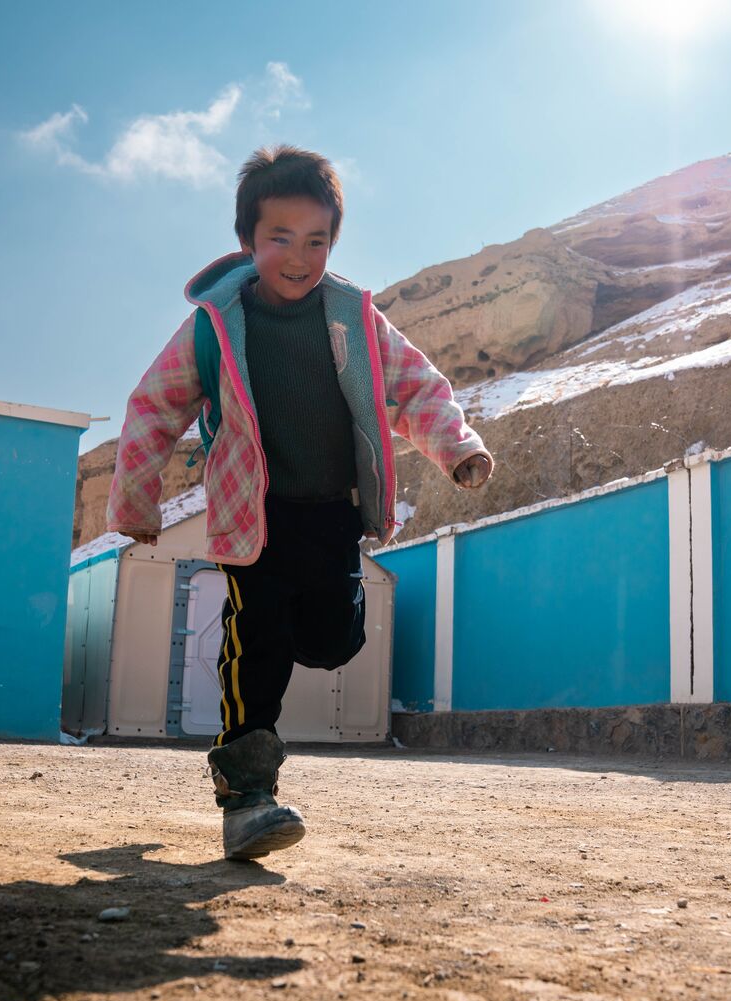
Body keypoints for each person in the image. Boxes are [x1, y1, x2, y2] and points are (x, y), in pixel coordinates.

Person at [107, 146, 492, 859]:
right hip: (251, 516)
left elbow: (417, 387)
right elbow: (152, 408)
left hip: (330, 513)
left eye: (316, 240)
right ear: (247, 242)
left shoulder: (353, 318)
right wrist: (135, 500)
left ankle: (323, 633)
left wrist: (458, 448)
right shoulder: (214, 323)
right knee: (257, 641)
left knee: (328, 640)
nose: (297, 255)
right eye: (279, 237)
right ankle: (247, 797)